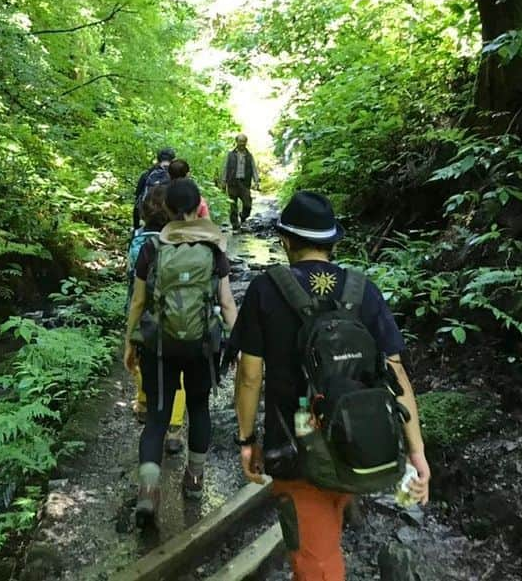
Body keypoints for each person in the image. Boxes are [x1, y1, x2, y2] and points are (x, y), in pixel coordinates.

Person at [231, 191, 430, 580]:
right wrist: (416, 451)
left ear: (286, 240)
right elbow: (397, 374)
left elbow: (249, 374)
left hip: (295, 451)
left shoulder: (265, 290)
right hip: (361, 443)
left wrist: (246, 440)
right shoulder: (363, 290)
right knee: (331, 515)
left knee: (316, 565)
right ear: (333, 243)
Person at [123, 179, 238, 528]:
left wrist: (130, 341)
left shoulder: (153, 249)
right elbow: (227, 303)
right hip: (201, 345)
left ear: (168, 209)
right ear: (198, 207)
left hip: (160, 347)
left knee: (157, 417)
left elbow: (139, 302)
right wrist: (241, 342)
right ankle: (195, 480)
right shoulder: (214, 248)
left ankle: (148, 491)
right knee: (199, 408)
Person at [128, 185, 187, 449]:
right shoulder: (185, 240)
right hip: (180, 312)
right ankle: (175, 427)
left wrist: (129, 336)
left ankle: (144, 404)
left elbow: (136, 290)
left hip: (147, 314)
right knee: (180, 372)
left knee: (142, 360)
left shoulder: (140, 241)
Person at [220, 134, 260, 231]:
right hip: (232, 182)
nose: (242, 144)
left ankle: (243, 216)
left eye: (244, 141)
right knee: (233, 205)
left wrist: (256, 181)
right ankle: (235, 225)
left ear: (246, 142)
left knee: (248, 204)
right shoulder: (230, 154)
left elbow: (254, 169)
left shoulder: (249, 156)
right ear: (236, 142)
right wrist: (223, 181)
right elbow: (225, 168)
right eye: (240, 141)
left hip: (244, 183)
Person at [133, 148, 175, 230]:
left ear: (158, 159)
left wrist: (136, 227)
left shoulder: (147, 174)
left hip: (149, 219)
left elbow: (137, 200)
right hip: (170, 222)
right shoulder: (177, 176)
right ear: (173, 160)